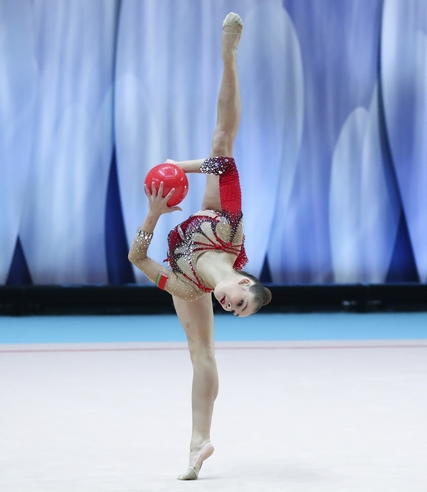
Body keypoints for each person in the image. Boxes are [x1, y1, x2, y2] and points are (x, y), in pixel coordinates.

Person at [127, 12, 272, 481]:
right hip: (207, 222)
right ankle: (229, 58)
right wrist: (179, 167)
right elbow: (225, 171)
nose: (232, 308)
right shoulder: (231, 233)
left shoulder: (188, 289)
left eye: (236, 313)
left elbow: (138, 259)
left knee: (202, 356)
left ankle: (197, 443)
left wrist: (152, 213)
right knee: (221, 143)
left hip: (183, 257)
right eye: (242, 304)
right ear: (245, 282)